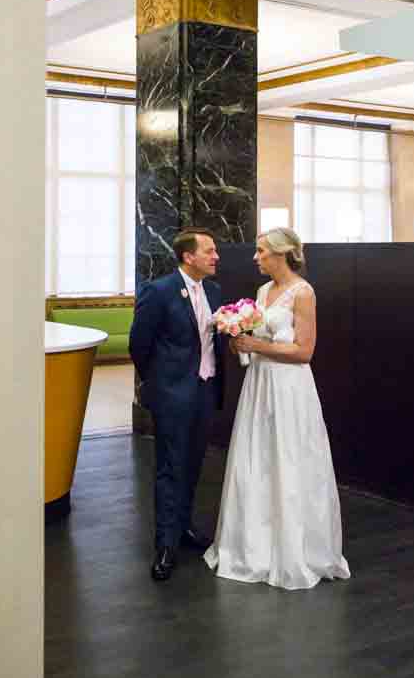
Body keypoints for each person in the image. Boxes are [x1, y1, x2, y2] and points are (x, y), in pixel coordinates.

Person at [204, 227, 350, 590]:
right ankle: (255, 546)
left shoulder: (303, 293)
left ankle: (295, 550)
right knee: (259, 459)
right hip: (260, 385)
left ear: (282, 254)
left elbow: (304, 351)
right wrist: (244, 345)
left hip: (290, 387)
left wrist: (257, 344)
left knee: (289, 458)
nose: (255, 257)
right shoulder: (263, 292)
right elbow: (264, 341)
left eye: (261, 251)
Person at [129, 227, 224, 581]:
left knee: (194, 464)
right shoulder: (160, 291)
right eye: (210, 250)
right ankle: (165, 544)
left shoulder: (214, 291)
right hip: (172, 394)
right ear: (189, 257)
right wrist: (160, 383)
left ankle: (183, 528)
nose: (216, 257)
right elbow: (140, 344)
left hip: (204, 391)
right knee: (170, 467)